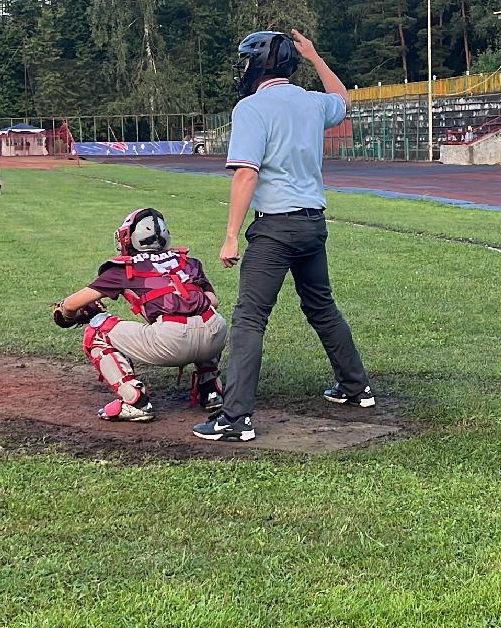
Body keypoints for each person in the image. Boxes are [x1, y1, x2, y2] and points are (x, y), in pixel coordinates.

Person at [194, 28, 371, 444]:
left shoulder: (251, 108)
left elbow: (246, 173)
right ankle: (354, 387)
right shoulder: (311, 102)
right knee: (321, 307)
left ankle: (235, 419)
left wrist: (231, 235)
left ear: (258, 63)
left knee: (250, 318)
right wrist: (315, 56)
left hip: (275, 227)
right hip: (314, 224)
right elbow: (343, 99)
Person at [52, 207, 228, 422]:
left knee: (98, 328)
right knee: (203, 315)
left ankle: (134, 401)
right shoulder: (188, 261)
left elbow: (70, 305)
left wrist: (69, 316)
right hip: (216, 334)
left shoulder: (123, 268)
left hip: (171, 341)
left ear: (130, 238)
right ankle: (210, 389)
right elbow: (214, 302)